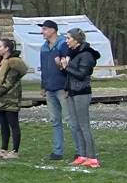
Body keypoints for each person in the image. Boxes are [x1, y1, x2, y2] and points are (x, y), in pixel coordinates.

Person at [57, 28, 101, 168]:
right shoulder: (73, 53)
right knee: (75, 125)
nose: (66, 41)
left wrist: (66, 67)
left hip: (82, 93)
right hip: (72, 92)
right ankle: (82, 155)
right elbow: (70, 75)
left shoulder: (86, 54)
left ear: (76, 40)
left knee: (84, 125)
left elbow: (81, 74)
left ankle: (92, 157)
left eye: (68, 38)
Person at [0, 38, 28, 159]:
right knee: (3, 125)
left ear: (7, 48)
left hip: (11, 98)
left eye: (0, 46)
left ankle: (15, 151)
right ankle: (3, 149)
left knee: (13, 124)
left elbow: (9, 82)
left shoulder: (14, 63)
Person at [38, 19, 70, 160]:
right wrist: (43, 86)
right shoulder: (44, 47)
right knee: (55, 120)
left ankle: (80, 150)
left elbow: (68, 67)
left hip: (62, 87)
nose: (42, 32)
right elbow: (44, 68)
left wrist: (68, 86)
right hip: (50, 88)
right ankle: (58, 151)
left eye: (44, 29)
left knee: (70, 119)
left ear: (52, 30)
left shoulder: (63, 44)